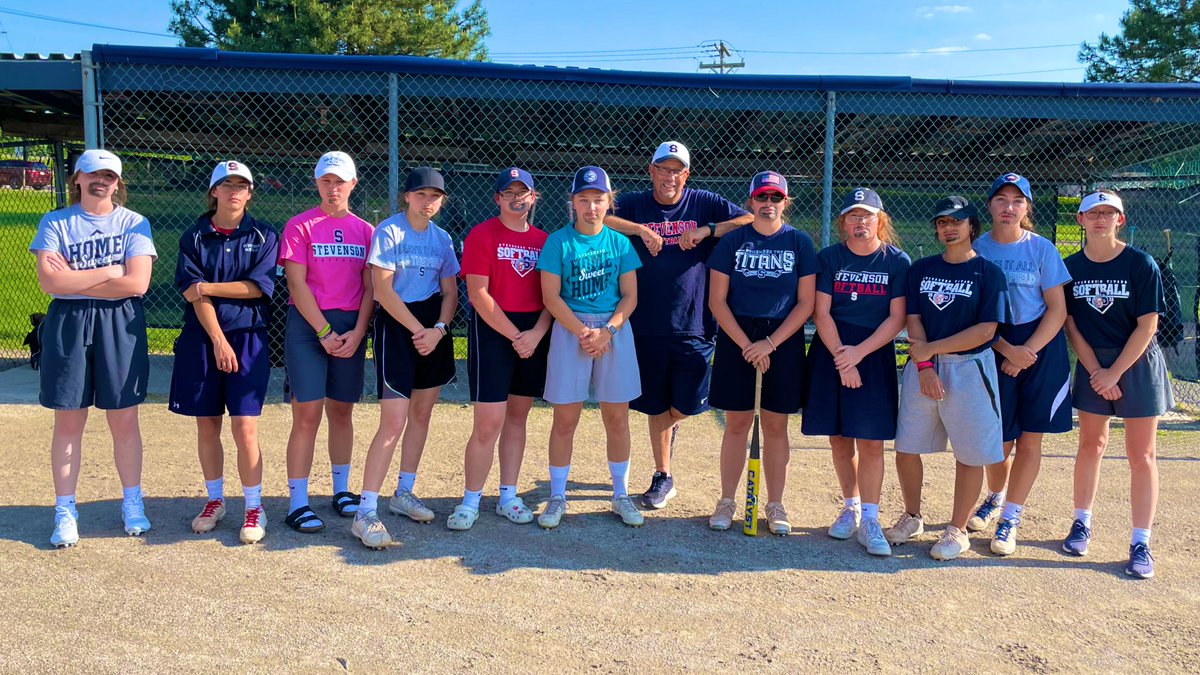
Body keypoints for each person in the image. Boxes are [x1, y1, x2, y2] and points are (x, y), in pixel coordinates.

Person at [603, 141, 752, 509]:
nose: (669, 177)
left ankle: (671, 433)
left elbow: (750, 218)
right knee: (655, 405)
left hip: (695, 321)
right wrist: (638, 230)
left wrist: (707, 230)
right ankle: (663, 474)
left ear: (686, 174)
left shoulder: (703, 201)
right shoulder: (637, 204)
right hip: (647, 321)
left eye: (677, 171)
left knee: (685, 403)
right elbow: (600, 216)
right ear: (650, 171)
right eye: (663, 169)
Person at [30, 149, 157, 548]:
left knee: (123, 418)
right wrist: (107, 271)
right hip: (68, 322)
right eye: (92, 173)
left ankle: (132, 502)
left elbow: (137, 284)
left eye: (109, 175)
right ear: (77, 179)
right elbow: (50, 284)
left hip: (119, 321)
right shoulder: (55, 221)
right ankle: (65, 510)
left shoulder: (134, 222)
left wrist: (74, 276)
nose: (100, 180)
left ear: (118, 183)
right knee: (69, 421)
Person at [886, 197, 1010, 561]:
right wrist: (925, 366)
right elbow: (914, 319)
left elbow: (986, 330)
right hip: (924, 367)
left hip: (970, 367)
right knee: (907, 446)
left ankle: (957, 529)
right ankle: (912, 516)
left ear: (973, 227)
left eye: (957, 221)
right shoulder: (921, 269)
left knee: (970, 453)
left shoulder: (988, 273)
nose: (948, 228)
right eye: (941, 222)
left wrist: (932, 350)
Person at [1060, 190, 1171, 579]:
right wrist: (1096, 371)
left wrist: (1116, 372)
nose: (1101, 219)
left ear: (1120, 220)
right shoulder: (1070, 267)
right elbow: (1071, 324)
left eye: (1109, 213)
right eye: (1093, 213)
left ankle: (1141, 541)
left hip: (1136, 362)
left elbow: (1148, 325)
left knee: (1142, 455)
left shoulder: (1140, 264)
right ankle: (1081, 523)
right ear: (1081, 220)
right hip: (1095, 362)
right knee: (1091, 444)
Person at [170, 161, 279, 545]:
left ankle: (254, 506)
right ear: (214, 191)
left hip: (249, 338)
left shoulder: (264, 235)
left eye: (242, 185)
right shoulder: (194, 236)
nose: (235, 191)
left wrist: (210, 287)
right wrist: (217, 339)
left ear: (250, 193)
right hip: (204, 339)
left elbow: (258, 287)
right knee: (207, 424)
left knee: (244, 426)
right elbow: (189, 292)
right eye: (227, 185)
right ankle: (215, 500)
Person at [351, 167, 459, 548]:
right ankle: (365, 511)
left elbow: (450, 293)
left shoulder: (443, 239)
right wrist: (419, 331)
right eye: (421, 194)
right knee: (393, 421)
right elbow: (382, 290)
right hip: (400, 328)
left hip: (434, 330)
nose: (428, 201)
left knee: (422, 414)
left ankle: (404, 492)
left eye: (435, 196)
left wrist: (440, 330)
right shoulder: (389, 232)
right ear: (407, 197)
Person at [706, 171, 816, 536]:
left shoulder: (799, 242)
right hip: (738, 335)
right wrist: (746, 345)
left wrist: (769, 344)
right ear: (750, 201)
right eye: (761, 198)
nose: (768, 205)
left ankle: (775, 502)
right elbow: (717, 301)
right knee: (737, 423)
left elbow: (806, 304)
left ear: (786, 202)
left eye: (775, 198)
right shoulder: (733, 242)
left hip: (781, 337)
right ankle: (726, 499)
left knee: (775, 425)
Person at [967, 173, 1072, 556]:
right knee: (997, 442)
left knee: (1030, 438)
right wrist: (1006, 349)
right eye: (1001, 200)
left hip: (1040, 349)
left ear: (1027, 208)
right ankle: (995, 494)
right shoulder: (976, 249)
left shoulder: (1042, 249)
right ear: (990, 206)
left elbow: (1057, 309)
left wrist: (1026, 351)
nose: (1008, 207)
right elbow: (970, 314)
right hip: (993, 345)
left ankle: (1010, 515)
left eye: (1017, 201)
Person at [535, 166, 643, 529]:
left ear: (609, 203)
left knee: (617, 418)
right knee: (565, 419)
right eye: (584, 200)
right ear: (573, 203)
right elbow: (550, 296)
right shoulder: (558, 242)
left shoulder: (620, 242)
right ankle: (557, 496)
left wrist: (608, 331)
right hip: (571, 330)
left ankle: (620, 494)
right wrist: (584, 331)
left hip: (614, 330)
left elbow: (630, 296)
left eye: (598, 200)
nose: (591, 207)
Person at [804, 188, 909, 555]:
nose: (860, 222)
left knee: (870, 440)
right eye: (853, 216)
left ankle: (870, 518)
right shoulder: (830, 257)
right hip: (833, 349)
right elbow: (821, 312)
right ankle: (849, 507)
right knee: (838, 436)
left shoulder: (896, 261)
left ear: (880, 220)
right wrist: (841, 358)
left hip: (873, 352)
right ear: (843, 223)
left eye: (867, 216)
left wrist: (858, 356)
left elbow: (897, 318)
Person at [447, 167, 550, 531]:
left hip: (532, 334)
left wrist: (535, 333)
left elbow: (551, 297)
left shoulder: (544, 240)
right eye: (509, 193)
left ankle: (508, 496)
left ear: (534, 198)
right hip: (494, 331)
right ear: (497, 199)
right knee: (488, 422)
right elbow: (478, 294)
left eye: (524, 192)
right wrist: (515, 336)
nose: (517, 198)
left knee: (517, 418)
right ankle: (470, 499)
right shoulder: (482, 234)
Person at [278, 151, 374, 534]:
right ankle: (298, 502)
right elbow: (296, 284)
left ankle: (341, 491)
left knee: (342, 411)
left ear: (353, 184)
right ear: (317, 183)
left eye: (340, 182)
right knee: (307, 412)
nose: (333, 189)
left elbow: (370, 288)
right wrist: (323, 332)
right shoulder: (300, 226)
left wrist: (358, 331)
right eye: (326, 181)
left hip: (350, 328)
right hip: (308, 326)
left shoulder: (366, 231)